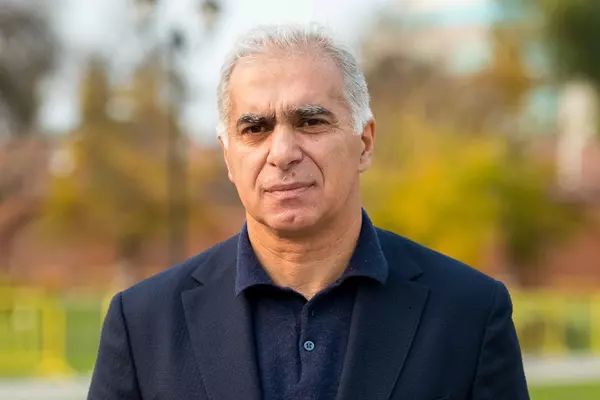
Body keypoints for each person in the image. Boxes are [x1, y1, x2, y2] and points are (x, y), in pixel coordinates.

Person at [87, 23, 530, 400]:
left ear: (365, 142)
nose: (282, 152)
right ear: (228, 156)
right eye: (255, 128)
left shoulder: (469, 314)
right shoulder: (143, 324)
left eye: (311, 122)